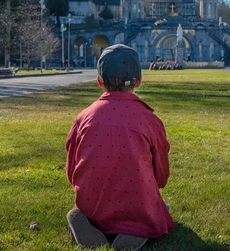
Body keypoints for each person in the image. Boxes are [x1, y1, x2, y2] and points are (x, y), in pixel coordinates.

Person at [66, 44, 174, 250]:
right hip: (137, 203)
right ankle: (135, 229)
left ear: (99, 82)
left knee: (87, 206)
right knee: (159, 208)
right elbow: (161, 175)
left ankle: (85, 219)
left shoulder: (83, 118)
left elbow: (72, 171)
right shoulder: (150, 120)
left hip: (93, 202)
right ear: (139, 81)